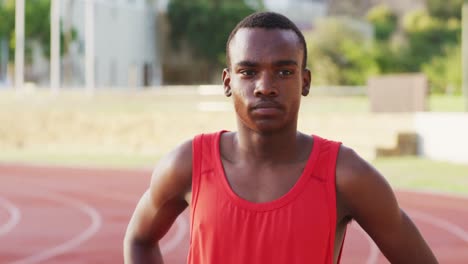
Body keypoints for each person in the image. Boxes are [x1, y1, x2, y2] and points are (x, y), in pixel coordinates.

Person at [124, 12, 437, 264]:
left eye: (284, 72)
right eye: (248, 72)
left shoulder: (345, 174)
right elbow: (139, 239)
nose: (265, 86)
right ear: (227, 82)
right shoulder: (188, 164)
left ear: (305, 81)